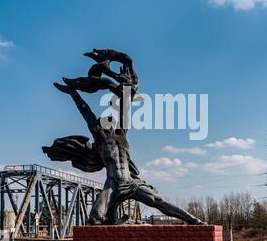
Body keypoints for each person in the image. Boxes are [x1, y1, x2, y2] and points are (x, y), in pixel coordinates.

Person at [43, 83, 204, 225]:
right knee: (95, 218)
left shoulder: (121, 135)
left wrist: (127, 90)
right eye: (104, 121)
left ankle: (195, 221)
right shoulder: (100, 138)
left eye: (110, 120)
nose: (109, 122)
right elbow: (86, 112)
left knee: (158, 202)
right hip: (112, 185)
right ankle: (113, 220)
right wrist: (73, 93)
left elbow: (125, 110)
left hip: (130, 182)